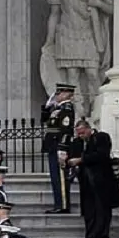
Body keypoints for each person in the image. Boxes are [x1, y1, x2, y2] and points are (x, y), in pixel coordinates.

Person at [66, 119, 119, 238]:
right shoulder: (77, 143)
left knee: (103, 211)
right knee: (89, 212)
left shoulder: (101, 137)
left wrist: (81, 159)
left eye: (82, 133)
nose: (80, 136)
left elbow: (102, 155)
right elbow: (72, 157)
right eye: (78, 133)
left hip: (102, 181)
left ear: (88, 129)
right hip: (86, 183)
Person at [43, 83, 77, 213]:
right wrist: (47, 107)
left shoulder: (66, 109)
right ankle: (58, 204)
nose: (57, 96)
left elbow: (66, 130)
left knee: (60, 177)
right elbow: (45, 120)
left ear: (67, 94)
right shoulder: (57, 108)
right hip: (52, 146)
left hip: (58, 147)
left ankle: (63, 205)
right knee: (55, 177)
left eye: (60, 93)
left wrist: (62, 148)